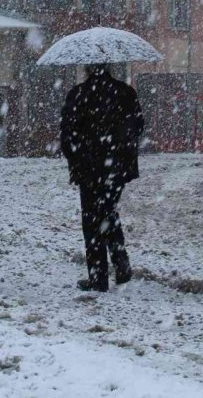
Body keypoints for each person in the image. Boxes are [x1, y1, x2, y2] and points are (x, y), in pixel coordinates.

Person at [60, 63, 144, 292]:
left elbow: (67, 135)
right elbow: (137, 126)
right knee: (108, 211)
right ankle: (121, 262)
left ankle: (99, 277)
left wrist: (78, 158)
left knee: (92, 221)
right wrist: (119, 151)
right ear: (109, 67)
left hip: (89, 170)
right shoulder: (125, 93)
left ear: (87, 68)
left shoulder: (78, 95)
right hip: (117, 168)